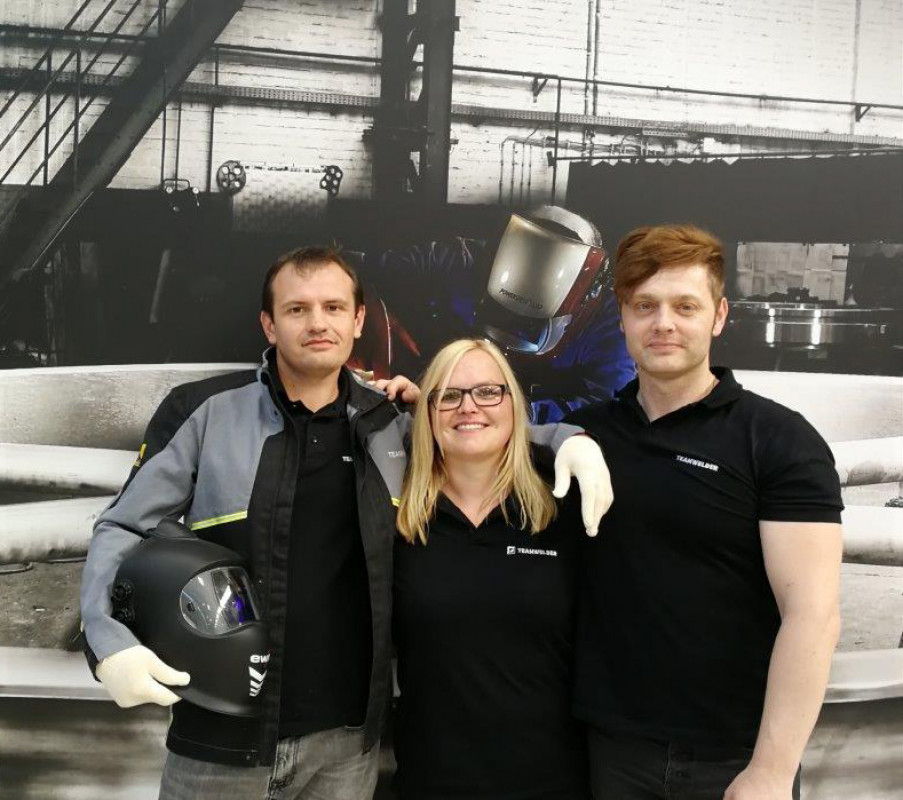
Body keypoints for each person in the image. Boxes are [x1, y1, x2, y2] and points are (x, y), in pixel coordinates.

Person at [79, 247, 610, 800]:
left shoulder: (387, 422)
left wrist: (567, 439)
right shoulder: (205, 411)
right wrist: (108, 642)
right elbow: (124, 528)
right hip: (220, 739)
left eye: (333, 307)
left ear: (358, 321)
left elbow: (476, 426)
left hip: (345, 751)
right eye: (297, 309)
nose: (317, 323)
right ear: (269, 324)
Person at [566, 225, 844, 800]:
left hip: (736, 759)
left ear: (718, 316)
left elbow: (812, 616)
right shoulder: (587, 435)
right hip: (613, 752)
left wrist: (771, 770)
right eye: (645, 306)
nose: (663, 323)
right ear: (622, 318)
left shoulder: (778, 440)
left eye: (685, 306)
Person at [392, 338, 592, 800]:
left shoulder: (562, 505)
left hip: (552, 781)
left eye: (487, 391)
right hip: (432, 780)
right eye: (448, 395)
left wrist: (575, 440)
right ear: (428, 411)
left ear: (513, 404)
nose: (469, 407)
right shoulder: (398, 516)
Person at [360, 205, 635, 422]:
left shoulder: (612, 322)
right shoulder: (460, 262)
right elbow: (363, 267)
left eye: (529, 324)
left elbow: (607, 403)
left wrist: (520, 415)